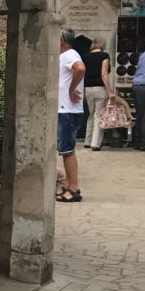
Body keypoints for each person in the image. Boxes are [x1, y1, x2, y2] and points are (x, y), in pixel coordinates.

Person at [57, 28, 86, 203]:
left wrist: (71, 88)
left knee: (67, 151)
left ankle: (74, 188)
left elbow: (80, 68)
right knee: (64, 150)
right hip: (65, 110)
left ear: (61, 39)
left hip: (68, 110)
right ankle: (68, 184)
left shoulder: (70, 54)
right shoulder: (64, 56)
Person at [82, 38, 115, 151]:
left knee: (91, 114)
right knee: (99, 115)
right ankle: (95, 144)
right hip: (100, 88)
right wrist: (110, 91)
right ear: (102, 45)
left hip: (88, 88)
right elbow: (104, 73)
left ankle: (87, 141)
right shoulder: (104, 55)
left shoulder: (85, 56)